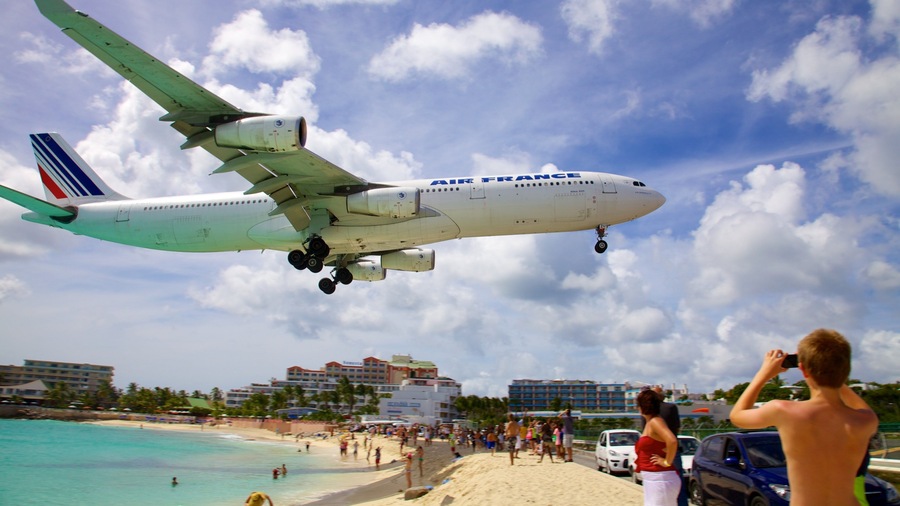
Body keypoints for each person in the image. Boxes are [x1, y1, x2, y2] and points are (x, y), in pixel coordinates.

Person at [729, 329, 879, 506]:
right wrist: (834, 373)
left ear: (803, 370)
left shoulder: (785, 411)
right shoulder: (866, 420)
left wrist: (764, 373)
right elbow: (859, 405)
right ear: (846, 370)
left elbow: (737, 416)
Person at [639, 386, 686, 506]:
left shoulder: (655, 421)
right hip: (654, 478)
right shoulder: (651, 421)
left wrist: (666, 462)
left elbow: (672, 440)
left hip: (660, 477)